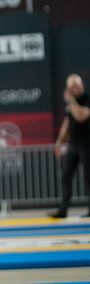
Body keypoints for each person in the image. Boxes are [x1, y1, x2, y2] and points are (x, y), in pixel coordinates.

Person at [50, 74, 90, 218]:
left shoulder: (86, 100)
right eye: (71, 87)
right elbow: (68, 122)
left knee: (89, 178)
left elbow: (81, 116)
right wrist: (60, 141)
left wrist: (71, 100)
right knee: (66, 176)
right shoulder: (71, 105)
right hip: (73, 144)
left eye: (76, 86)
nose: (74, 89)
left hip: (87, 144)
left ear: (82, 86)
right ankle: (63, 210)